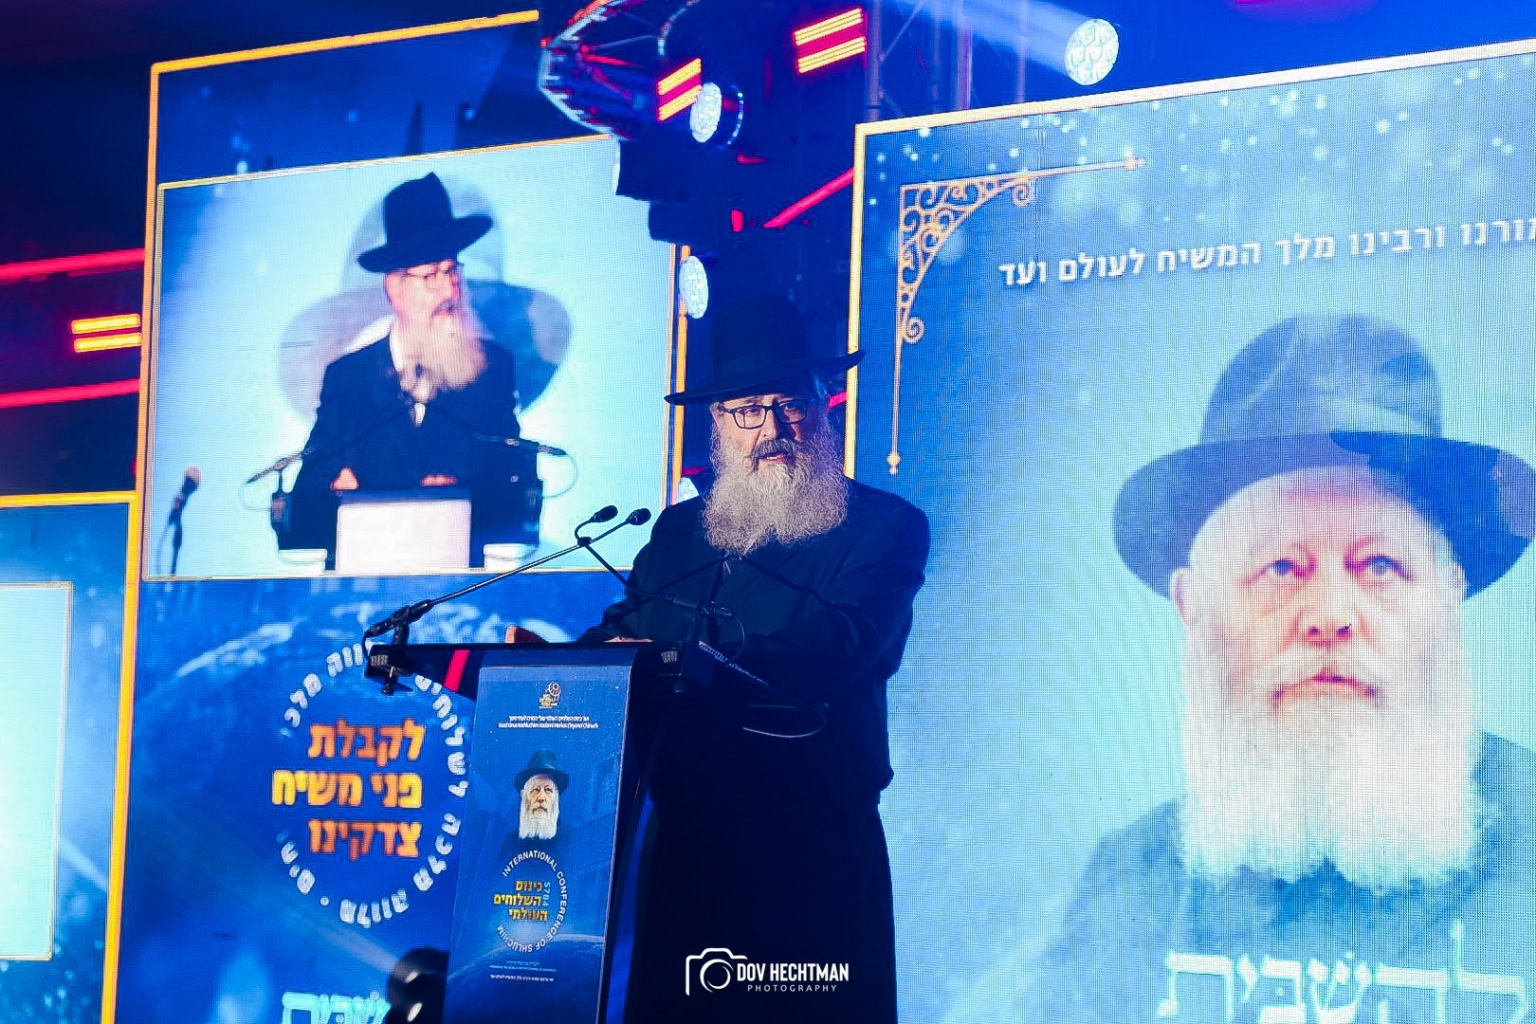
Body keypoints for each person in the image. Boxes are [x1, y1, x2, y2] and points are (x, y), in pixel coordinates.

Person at [1027, 316, 1536, 1023]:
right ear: (1196, 608)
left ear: (1447, 599)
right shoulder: (1126, 889)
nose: (1329, 614)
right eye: (1280, 567)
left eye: (1379, 565)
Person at [582, 294, 929, 1022]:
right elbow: (621, 632)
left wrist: (690, 658)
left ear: (821, 406)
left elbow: (842, 644)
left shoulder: (883, 526)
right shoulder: (680, 533)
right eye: (746, 409)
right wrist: (565, 664)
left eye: (788, 404)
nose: (771, 429)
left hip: (810, 851)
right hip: (688, 851)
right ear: (718, 423)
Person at [279, 172, 539, 564]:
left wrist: (460, 494)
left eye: (452, 271)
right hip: (364, 576)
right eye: (431, 276)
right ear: (396, 288)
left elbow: (514, 493)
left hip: (457, 580)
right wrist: (336, 492)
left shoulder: (491, 369)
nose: (449, 290)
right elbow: (304, 504)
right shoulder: (348, 379)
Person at [515, 750, 565, 842]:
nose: (541, 798)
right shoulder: (511, 842)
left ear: (556, 797)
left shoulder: (572, 837)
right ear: (524, 796)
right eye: (535, 790)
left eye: (548, 790)